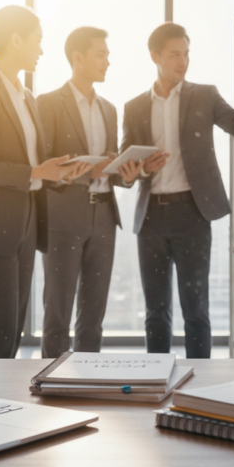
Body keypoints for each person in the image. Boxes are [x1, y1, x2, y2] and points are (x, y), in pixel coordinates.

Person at [121, 22, 234, 358]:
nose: (183, 61)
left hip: (192, 214)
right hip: (150, 218)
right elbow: (126, 164)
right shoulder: (135, 107)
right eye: (174, 55)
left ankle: (201, 381)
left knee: (195, 310)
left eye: (186, 54)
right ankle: (156, 377)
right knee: (156, 312)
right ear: (155, 57)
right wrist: (140, 169)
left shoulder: (204, 95)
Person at [0, 5, 91, 359]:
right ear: (15, 40)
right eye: (37, 40)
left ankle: (1, 395)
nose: (42, 50)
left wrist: (58, 174)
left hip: (25, 220)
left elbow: (32, 164)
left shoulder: (26, 96)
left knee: (12, 329)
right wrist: (36, 172)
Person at [36, 27, 143, 358]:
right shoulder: (49, 103)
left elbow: (108, 165)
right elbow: (43, 165)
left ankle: (88, 378)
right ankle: (51, 381)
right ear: (77, 58)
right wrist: (86, 172)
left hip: (105, 216)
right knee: (58, 313)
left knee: (94, 316)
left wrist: (127, 174)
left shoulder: (109, 109)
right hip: (63, 217)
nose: (107, 62)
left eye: (107, 55)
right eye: (101, 55)